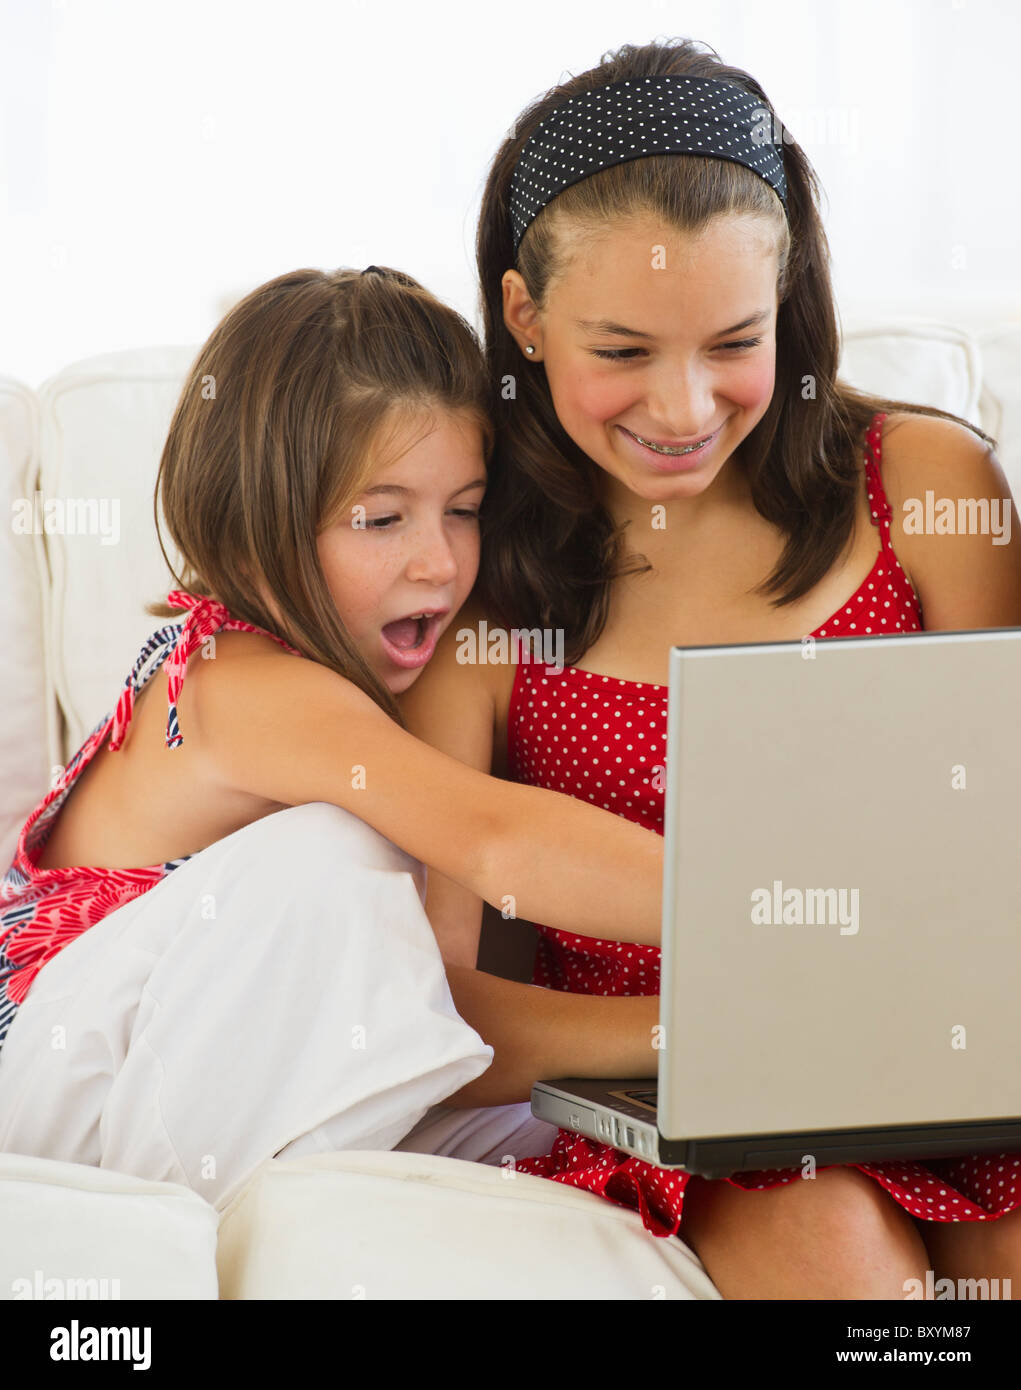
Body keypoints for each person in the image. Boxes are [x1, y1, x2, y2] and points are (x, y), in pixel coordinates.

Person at [395, 39, 1021, 1298]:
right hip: (691, 1107)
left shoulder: (928, 490)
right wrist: (750, 1039)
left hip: (954, 1059)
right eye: (620, 351)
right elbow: (434, 1011)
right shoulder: (485, 587)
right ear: (523, 315)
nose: (680, 410)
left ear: (784, 300)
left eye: (731, 342)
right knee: (833, 1250)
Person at [0, 264, 664, 1204]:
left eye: (464, 511)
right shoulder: (246, 686)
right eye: (382, 518)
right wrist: (752, 915)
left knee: (554, 1132)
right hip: (54, 1098)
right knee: (330, 856)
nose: (437, 561)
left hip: (191, 1074)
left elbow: (430, 1002)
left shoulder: (365, 690)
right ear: (253, 522)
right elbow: (495, 837)